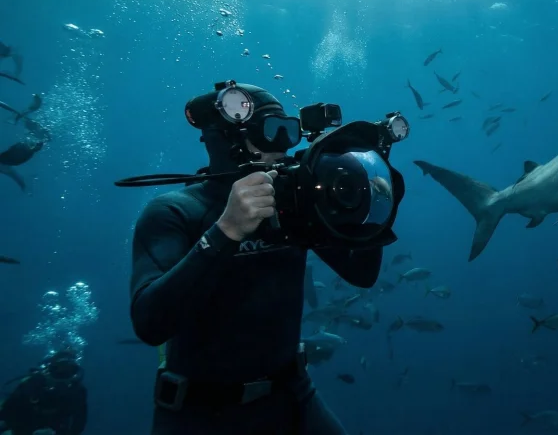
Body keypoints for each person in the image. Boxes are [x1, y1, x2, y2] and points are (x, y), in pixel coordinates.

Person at [129, 84, 387, 435]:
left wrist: (372, 217)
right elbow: (150, 323)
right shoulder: (175, 212)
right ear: (226, 139)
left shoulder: (294, 206)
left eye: (289, 133)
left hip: (294, 395)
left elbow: (361, 274)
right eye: (270, 133)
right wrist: (226, 231)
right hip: (201, 414)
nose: (282, 148)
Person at [0, 350, 88, 435]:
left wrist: (56, 433)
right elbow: (7, 410)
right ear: (50, 368)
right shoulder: (33, 382)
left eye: (69, 371)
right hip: (20, 425)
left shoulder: (77, 392)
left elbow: (78, 425)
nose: (62, 376)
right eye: (58, 370)